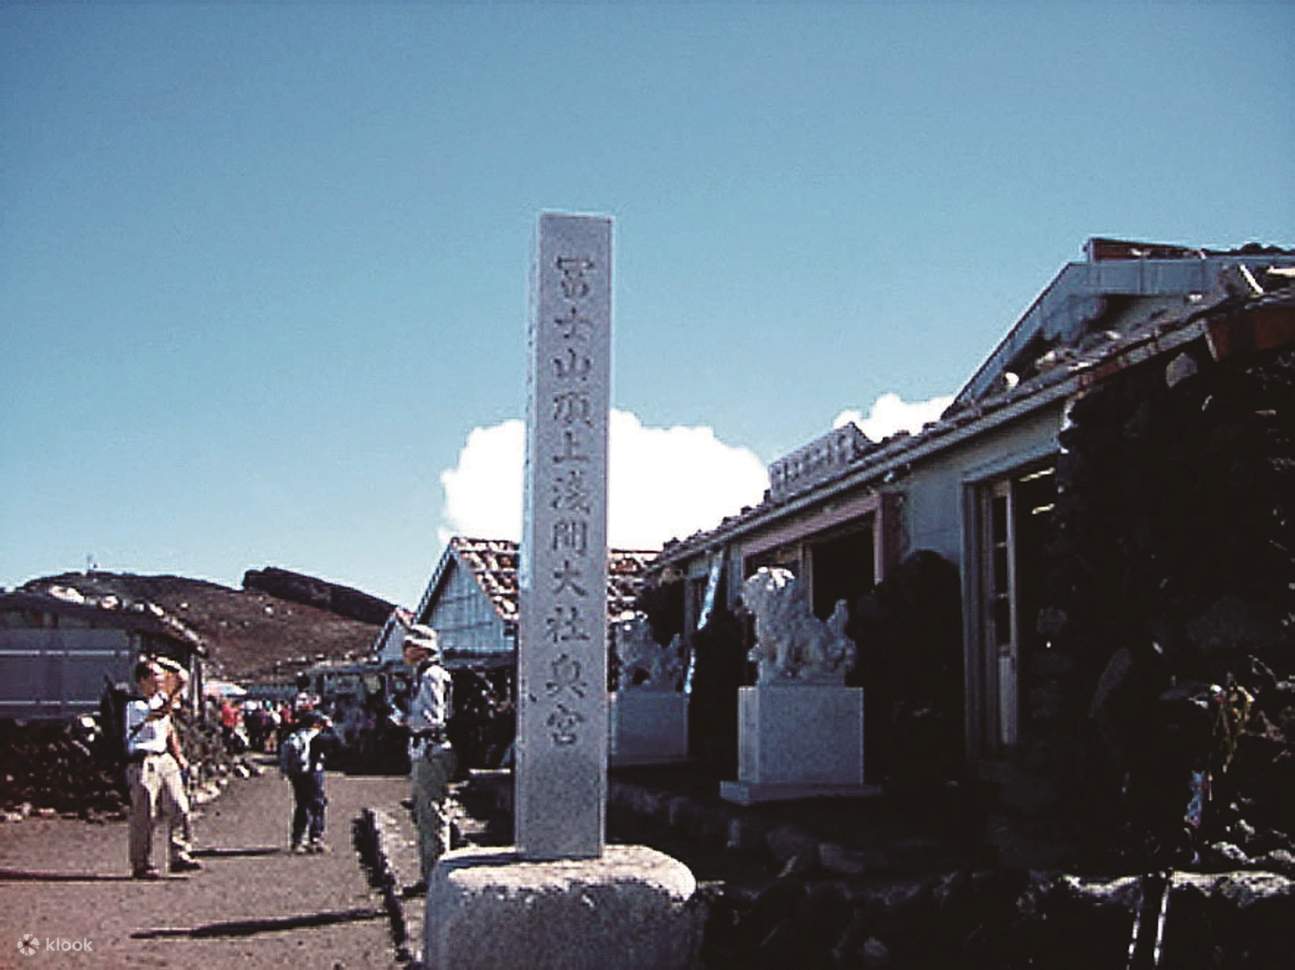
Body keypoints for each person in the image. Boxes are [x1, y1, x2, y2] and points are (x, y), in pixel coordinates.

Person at [124, 657, 201, 878]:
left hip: (164, 758)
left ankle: (180, 853)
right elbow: (159, 714)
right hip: (144, 760)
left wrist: (179, 756)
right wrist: (176, 691)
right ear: (142, 680)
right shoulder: (135, 705)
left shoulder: (161, 698)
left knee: (179, 805)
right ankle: (141, 863)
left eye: (160, 676)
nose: (159, 680)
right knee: (145, 814)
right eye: (154, 676)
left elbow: (168, 729)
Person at [393, 624, 455, 893]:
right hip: (429, 750)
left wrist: (402, 718)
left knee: (431, 815)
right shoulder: (427, 674)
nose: (404, 650)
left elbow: (431, 719)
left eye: (409, 645)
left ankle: (436, 879)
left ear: (422, 648)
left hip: (430, 750)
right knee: (426, 814)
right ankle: (431, 874)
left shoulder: (430, 676)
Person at [280, 710, 331, 853]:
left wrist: (285, 770)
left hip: (297, 773)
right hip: (313, 772)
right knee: (318, 804)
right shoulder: (318, 736)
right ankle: (315, 838)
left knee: (302, 805)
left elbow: (285, 752)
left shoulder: (295, 736)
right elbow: (337, 744)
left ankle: (297, 840)